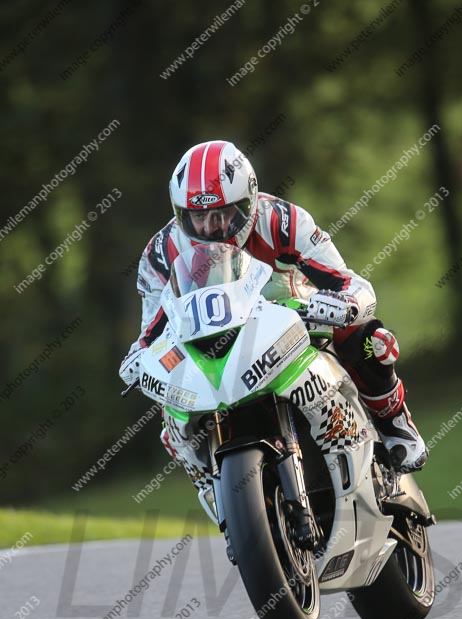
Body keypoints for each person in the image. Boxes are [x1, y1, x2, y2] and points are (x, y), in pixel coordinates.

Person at [120, 140, 427, 478]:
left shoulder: (282, 220)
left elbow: (349, 283)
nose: (209, 228)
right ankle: (211, 481)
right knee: (170, 415)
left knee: (371, 338)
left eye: (222, 214)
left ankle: (394, 423)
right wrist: (140, 356)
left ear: (248, 203)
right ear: (180, 213)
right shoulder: (161, 254)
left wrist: (347, 303)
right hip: (215, 341)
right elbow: (152, 330)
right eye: (197, 217)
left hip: (295, 319)